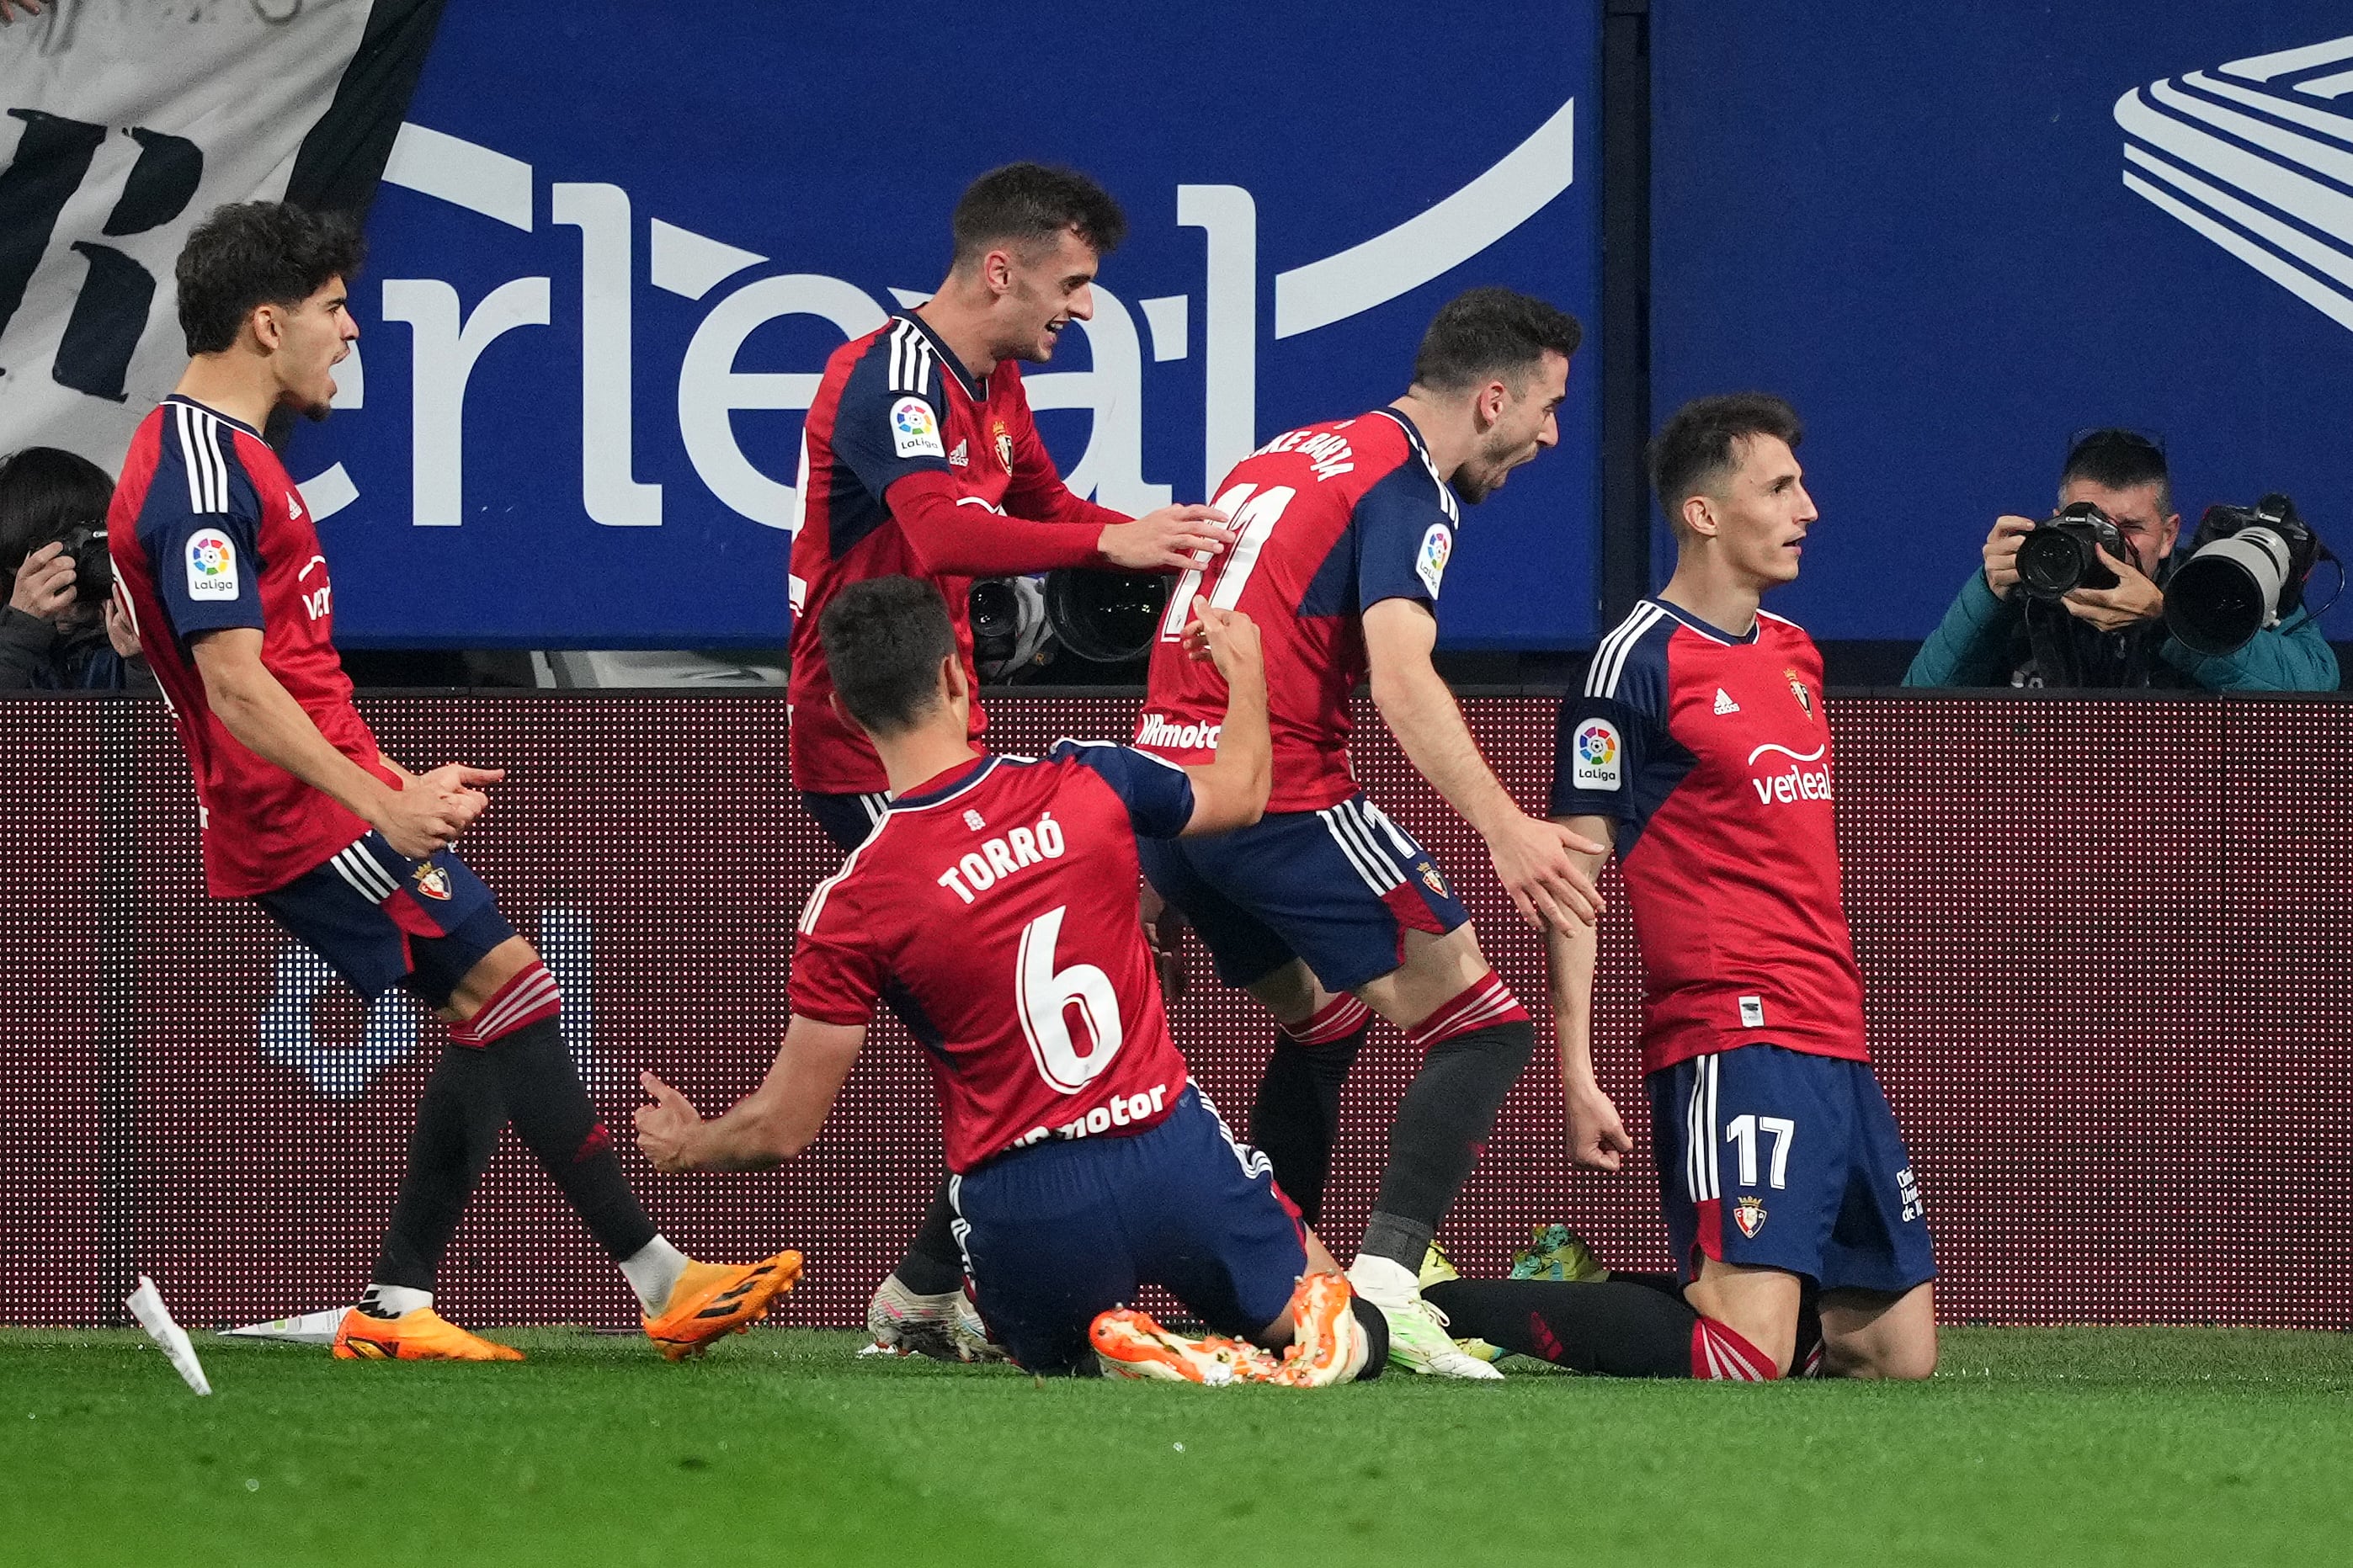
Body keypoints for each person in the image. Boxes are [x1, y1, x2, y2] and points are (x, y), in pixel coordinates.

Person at [108, 200, 797, 1362]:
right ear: (266, 325)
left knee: (500, 1002)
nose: (352, 329)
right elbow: (234, 683)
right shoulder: (202, 467)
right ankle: (644, 1280)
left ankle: (405, 1302)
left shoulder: (217, 458)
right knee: (509, 992)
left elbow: (236, 649)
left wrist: (378, 772)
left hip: (329, 792)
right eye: (334, 309)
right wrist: (378, 798)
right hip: (303, 810)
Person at [636, 576, 1385, 1386]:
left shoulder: (851, 903)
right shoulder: (1087, 778)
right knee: (1356, 1333)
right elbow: (1241, 795)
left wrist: (694, 1144)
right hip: (1170, 1154)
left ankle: (1120, 1357)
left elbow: (783, 1128)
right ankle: (1235, 1354)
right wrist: (1248, 676)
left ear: (848, 718)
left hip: (1025, 1205)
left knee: (1055, 1364)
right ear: (960, 677)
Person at [796, 162, 1238, 1359]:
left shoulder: (988, 381)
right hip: (870, 743)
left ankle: (928, 1285)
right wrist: (1109, 537)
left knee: (1027, 1001)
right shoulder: (884, 371)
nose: (1084, 309)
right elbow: (945, 530)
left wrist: (1162, 544)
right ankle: (939, 1280)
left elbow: (1038, 502)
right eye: (1074, 281)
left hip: (953, 727)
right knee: (1003, 1010)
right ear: (1002, 266)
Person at [1127, 286, 1604, 1378]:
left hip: (1170, 795)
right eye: (1543, 408)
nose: (1548, 436)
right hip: (1275, 791)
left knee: (1326, 1016)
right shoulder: (1407, 486)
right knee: (1481, 1022)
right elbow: (1398, 675)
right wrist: (1501, 825)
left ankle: (1278, 1289)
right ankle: (1387, 1289)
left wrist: (1156, 866)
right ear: (1490, 397)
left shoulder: (1287, 452)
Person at [1528, 393, 1935, 1381]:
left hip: (1830, 1027)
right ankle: (1453, 1306)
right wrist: (1575, 1068)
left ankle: (1594, 1286)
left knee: (1891, 1356)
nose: (1808, 507)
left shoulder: (1794, 653)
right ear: (1703, 513)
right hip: (1732, 1027)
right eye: (1780, 486)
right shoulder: (1634, 662)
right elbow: (1571, 873)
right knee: (1745, 1353)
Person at [1904, 428, 2337, 690]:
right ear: (2056, 519)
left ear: (2169, 535)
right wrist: (1986, 595)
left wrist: (2173, 618)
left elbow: (2316, 691)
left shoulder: (2213, 580)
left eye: (2130, 528)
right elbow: (1914, 716)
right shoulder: (2032, 574)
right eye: (2086, 521)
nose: (2107, 544)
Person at [0, 446, 148, 690]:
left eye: (91, 543)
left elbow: (174, 725)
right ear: (15, 566)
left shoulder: (130, 621)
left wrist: (147, 663)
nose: (75, 567)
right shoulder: (10, 638)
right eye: (64, 548)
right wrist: (21, 630)